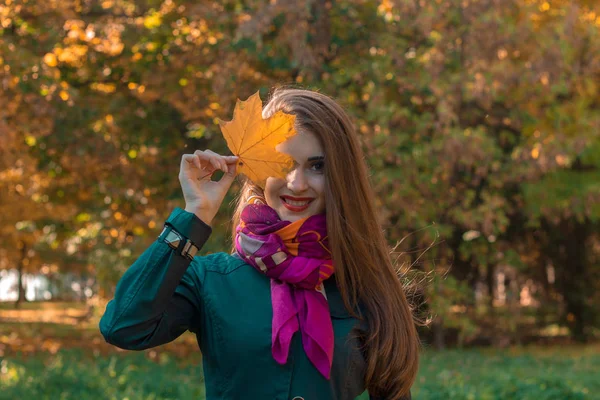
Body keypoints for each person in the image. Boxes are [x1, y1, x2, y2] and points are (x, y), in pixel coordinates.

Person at [99, 87, 419, 399]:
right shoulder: (211, 280)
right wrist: (194, 216)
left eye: (317, 166)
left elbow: (393, 388)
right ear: (257, 171)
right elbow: (123, 327)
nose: (297, 182)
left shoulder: (364, 286)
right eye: (284, 163)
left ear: (342, 175)